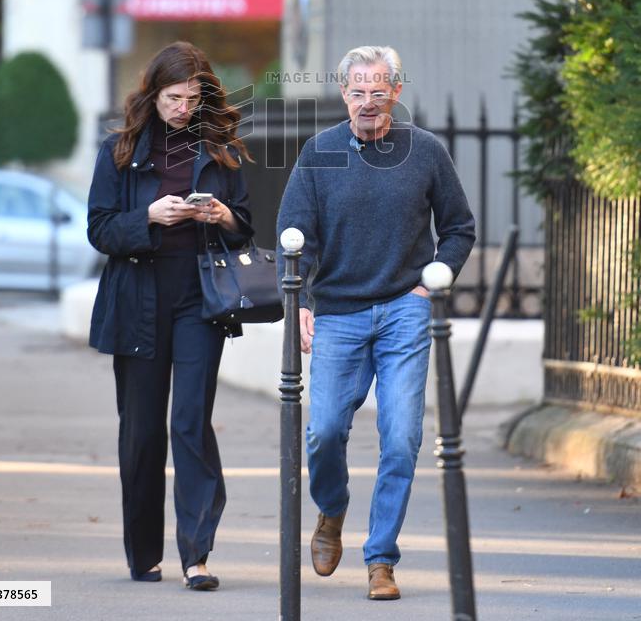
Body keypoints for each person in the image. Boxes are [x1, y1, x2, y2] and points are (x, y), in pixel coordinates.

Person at [276, 45, 475, 601]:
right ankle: (332, 510)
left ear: (396, 92)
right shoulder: (318, 153)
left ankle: (381, 559)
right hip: (337, 310)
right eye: (357, 91)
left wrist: (431, 280)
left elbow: (459, 227)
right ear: (344, 94)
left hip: (404, 308)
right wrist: (303, 303)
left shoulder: (426, 151)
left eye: (378, 90)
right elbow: (293, 233)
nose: (368, 101)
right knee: (326, 430)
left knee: (403, 436)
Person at [87, 41, 253, 591]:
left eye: (193, 98)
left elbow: (245, 226)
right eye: (173, 97)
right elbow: (100, 229)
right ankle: (144, 554)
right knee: (141, 433)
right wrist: (149, 217)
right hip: (137, 300)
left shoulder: (222, 149)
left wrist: (224, 215)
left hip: (199, 300)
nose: (183, 107)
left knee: (189, 422)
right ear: (153, 94)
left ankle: (197, 555)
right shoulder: (120, 150)